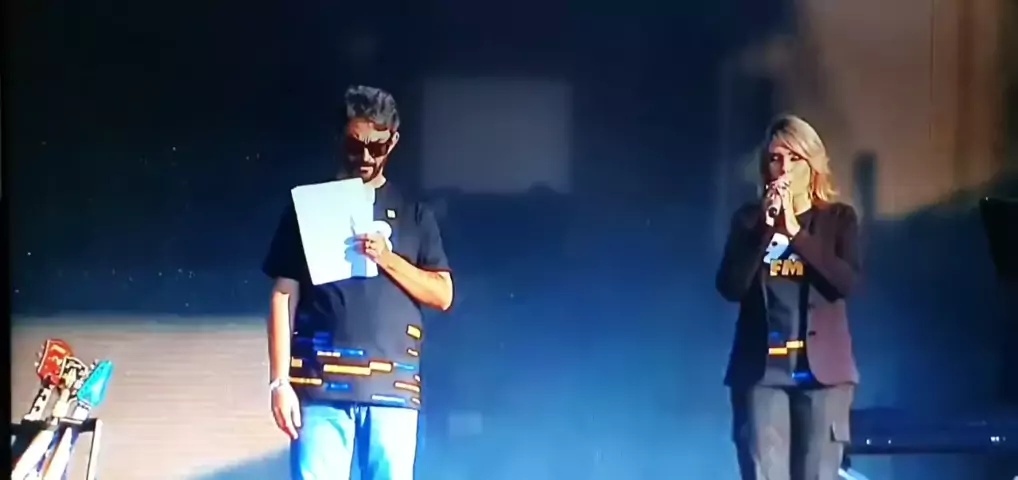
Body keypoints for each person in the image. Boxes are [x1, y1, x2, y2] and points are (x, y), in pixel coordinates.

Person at [261, 85, 454, 480]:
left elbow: (442, 293)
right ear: (340, 139)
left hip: (393, 391)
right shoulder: (308, 208)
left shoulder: (415, 215)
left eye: (376, 146)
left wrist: (387, 259)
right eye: (355, 145)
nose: (366, 157)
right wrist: (279, 382)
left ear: (393, 142)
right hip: (319, 386)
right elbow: (283, 295)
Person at [715, 114, 862, 480]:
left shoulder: (838, 220)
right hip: (763, 372)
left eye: (795, 158)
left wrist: (795, 232)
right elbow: (730, 287)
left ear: (812, 166)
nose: (784, 168)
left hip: (823, 376)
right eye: (776, 158)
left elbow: (845, 283)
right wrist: (765, 230)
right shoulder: (748, 222)